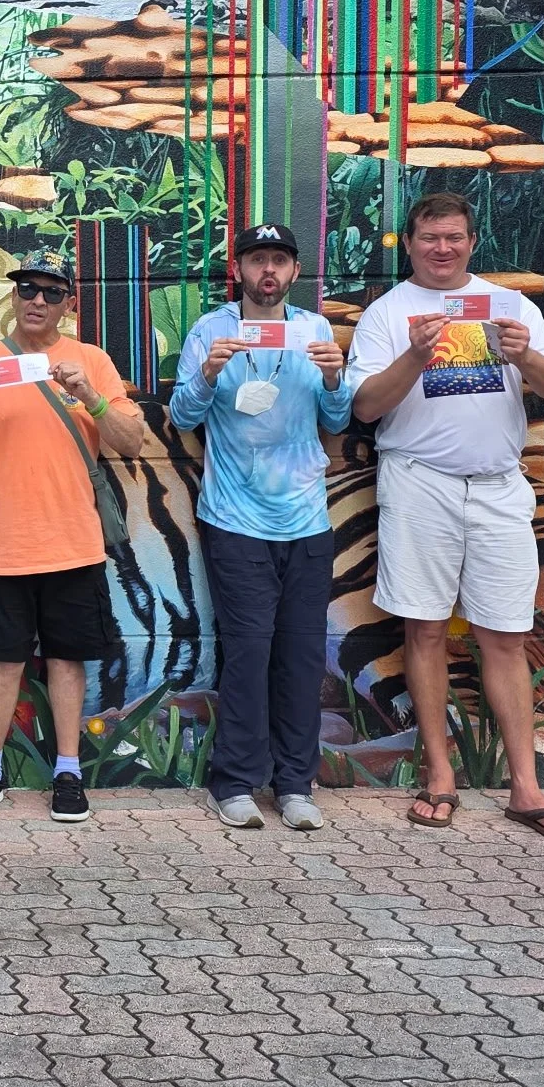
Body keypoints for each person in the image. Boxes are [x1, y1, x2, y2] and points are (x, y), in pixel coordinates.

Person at [349, 191, 544, 843]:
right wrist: (415, 355)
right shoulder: (387, 313)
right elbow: (366, 407)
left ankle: (526, 787)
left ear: (472, 242)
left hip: (498, 487)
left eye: (453, 237)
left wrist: (524, 356)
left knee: (506, 634)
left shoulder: (511, 307)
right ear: (409, 243)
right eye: (429, 238)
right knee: (424, 629)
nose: (442, 248)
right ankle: (439, 775)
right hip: (418, 484)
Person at [0, 251, 146, 823]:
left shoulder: (91, 360)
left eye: (51, 292)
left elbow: (131, 442)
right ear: (13, 296)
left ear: (68, 303)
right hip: (2, 546)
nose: (37, 300)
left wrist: (92, 397)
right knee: (2, 662)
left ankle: (68, 773)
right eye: (27, 288)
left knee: (67, 660)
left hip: (73, 542)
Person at [168, 222, 353, 831]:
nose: (267, 271)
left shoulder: (314, 330)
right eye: (256, 260)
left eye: (278, 260)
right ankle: (236, 783)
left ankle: (295, 784)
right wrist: (207, 374)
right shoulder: (210, 329)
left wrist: (336, 378)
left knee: (301, 656)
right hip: (235, 519)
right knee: (247, 654)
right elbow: (183, 416)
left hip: (306, 520)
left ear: (295, 271)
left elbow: (336, 418)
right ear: (238, 270)